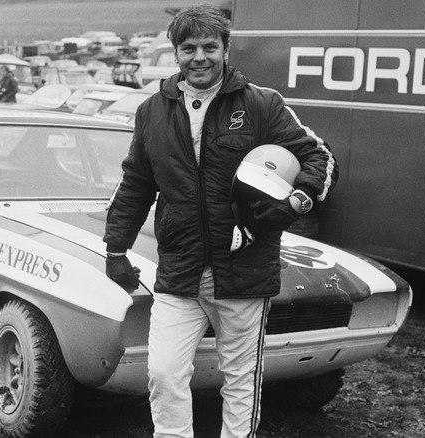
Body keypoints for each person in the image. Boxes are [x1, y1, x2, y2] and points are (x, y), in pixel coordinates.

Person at [103, 4, 337, 438]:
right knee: (164, 373)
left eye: (210, 46)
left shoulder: (261, 104)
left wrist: (296, 201)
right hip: (180, 270)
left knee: (240, 382)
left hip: (244, 270)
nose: (199, 57)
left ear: (226, 50)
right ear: (175, 53)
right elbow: (135, 183)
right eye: (188, 47)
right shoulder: (152, 111)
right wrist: (115, 249)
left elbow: (318, 156)